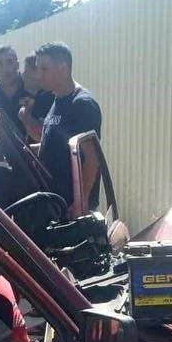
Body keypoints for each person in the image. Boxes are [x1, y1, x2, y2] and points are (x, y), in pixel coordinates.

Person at [34, 42, 103, 214]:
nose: (38, 75)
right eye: (37, 69)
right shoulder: (57, 100)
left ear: (63, 69)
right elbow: (60, 144)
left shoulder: (82, 104)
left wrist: (81, 201)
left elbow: (92, 158)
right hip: (56, 200)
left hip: (73, 206)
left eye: (44, 69)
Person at [18, 54, 54, 143]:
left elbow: (42, 135)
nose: (22, 75)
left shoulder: (46, 98)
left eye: (25, 71)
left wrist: (25, 117)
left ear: (37, 73)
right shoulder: (38, 96)